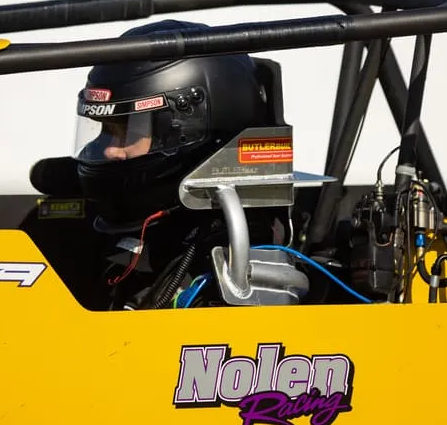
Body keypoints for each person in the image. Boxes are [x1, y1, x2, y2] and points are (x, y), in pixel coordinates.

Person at [26, 19, 289, 310]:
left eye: (130, 132)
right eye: (107, 131)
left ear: (188, 129)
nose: (110, 151)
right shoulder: (91, 229)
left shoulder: (231, 246)